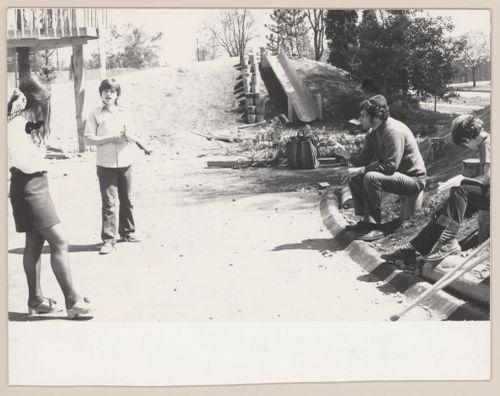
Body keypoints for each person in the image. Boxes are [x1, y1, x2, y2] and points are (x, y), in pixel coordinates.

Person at [7, 77, 91, 318]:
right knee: (60, 240)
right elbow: (24, 162)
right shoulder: (15, 126)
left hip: (36, 185)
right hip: (29, 187)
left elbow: (34, 153)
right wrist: (46, 159)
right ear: (33, 101)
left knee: (34, 243)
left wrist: (45, 153)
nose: (45, 106)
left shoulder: (27, 122)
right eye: (43, 102)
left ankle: (36, 299)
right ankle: (73, 301)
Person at [381, 114, 490, 266]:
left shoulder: (488, 143)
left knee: (460, 189)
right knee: (444, 213)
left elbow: (489, 178)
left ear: (467, 139)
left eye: (464, 145)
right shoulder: (486, 141)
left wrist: (462, 179)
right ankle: (413, 249)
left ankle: (449, 241)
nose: (467, 148)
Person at [333, 95, 427, 241]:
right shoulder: (373, 132)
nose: (360, 118)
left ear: (376, 117)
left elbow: (390, 166)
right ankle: (365, 222)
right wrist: (346, 154)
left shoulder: (392, 131)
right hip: (396, 176)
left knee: (370, 177)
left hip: (413, 179)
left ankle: (374, 227)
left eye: (364, 115)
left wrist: (361, 170)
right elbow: (363, 160)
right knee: (356, 177)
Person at [84, 78, 151, 255]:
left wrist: (130, 136)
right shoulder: (94, 114)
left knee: (127, 199)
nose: (108, 94)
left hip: (125, 161)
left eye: (112, 91)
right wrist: (112, 138)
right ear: (100, 94)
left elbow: (134, 134)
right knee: (109, 203)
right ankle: (108, 240)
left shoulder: (125, 113)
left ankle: (128, 233)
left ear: (117, 94)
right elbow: (88, 139)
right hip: (105, 164)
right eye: (105, 91)